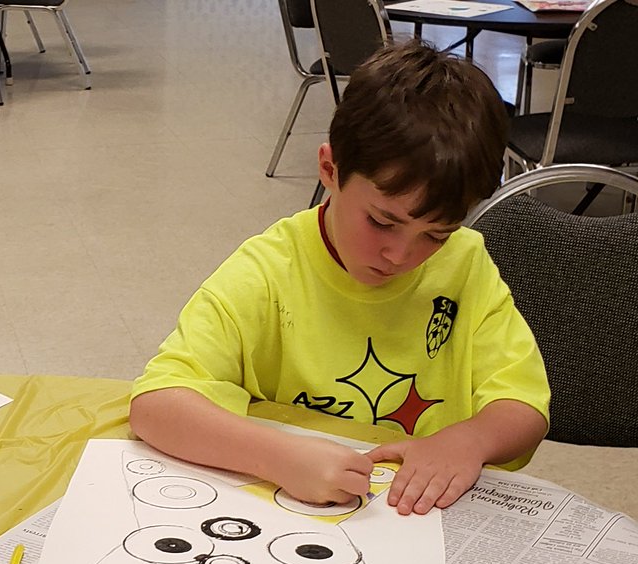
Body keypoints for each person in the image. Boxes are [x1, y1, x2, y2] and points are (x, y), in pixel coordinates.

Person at [129, 40, 550, 516]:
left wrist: (469, 440)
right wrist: (277, 455)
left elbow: (524, 406)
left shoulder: (465, 263)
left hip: (420, 520)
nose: (400, 255)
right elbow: (156, 405)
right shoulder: (269, 271)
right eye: (382, 222)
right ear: (330, 168)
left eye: (436, 234)